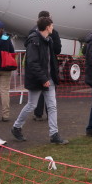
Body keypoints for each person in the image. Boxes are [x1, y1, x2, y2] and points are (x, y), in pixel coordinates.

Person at [11, 16, 68, 144]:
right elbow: (32, 62)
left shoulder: (49, 40)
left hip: (49, 79)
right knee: (32, 105)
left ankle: (54, 134)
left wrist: (53, 76)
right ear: (47, 27)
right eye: (52, 25)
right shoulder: (34, 41)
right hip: (38, 80)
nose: (53, 28)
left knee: (52, 106)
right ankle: (16, 127)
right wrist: (43, 78)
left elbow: (51, 59)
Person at [33, 10, 62, 121]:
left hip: (38, 64)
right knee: (50, 89)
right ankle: (50, 112)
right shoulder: (54, 33)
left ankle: (38, 113)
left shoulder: (33, 31)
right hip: (50, 64)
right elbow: (58, 49)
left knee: (39, 89)